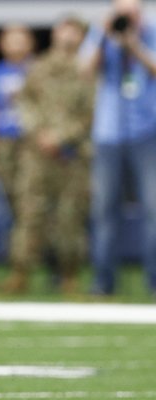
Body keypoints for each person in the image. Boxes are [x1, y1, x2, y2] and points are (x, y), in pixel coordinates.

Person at [8, 16, 94, 294]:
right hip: (36, 154)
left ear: (81, 37)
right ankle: (21, 273)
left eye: (75, 32)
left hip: (72, 156)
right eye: (64, 30)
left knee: (71, 216)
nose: (68, 37)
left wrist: (61, 137)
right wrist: (40, 133)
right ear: (56, 33)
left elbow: (89, 115)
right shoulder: (38, 67)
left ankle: (69, 275)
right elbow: (25, 103)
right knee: (30, 212)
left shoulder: (87, 71)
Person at [79, 0, 156, 297]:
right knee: (104, 210)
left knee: (152, 208)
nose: (127, 18)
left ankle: (153, 280)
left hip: (147, 132)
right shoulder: (102, 34)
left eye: (132, 12)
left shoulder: (149, 33)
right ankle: (103, 281)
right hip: (108, 132)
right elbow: (84, 71)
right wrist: (102, 34)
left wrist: (133, 43)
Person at [0, 23, 35, 291]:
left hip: (32, 145)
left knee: (31, 207)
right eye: (10, 38)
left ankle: (29, 268)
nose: (15, 43)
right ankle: (17, 268)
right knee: (10, 208)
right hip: (5, 144)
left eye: (20, 37)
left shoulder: (38, 70)